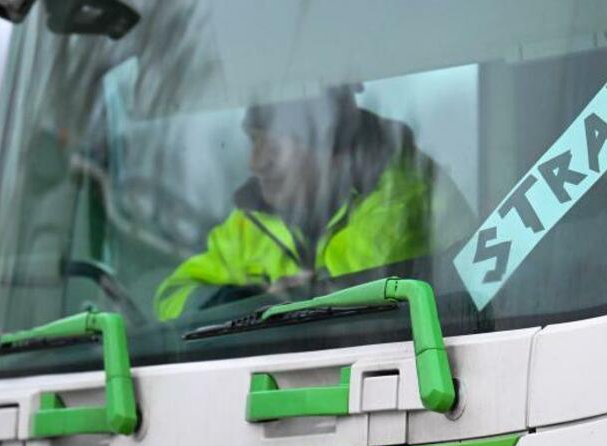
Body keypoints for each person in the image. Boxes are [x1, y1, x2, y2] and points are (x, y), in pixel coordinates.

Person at [153, 88, 471, 320]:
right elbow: (171, 299)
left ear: (324, 143)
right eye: (253, 142)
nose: (255, 163)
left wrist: (306, 296)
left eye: (271, 146)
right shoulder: (248, 224)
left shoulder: (406, 195)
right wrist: (243, 300)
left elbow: (375, 295)